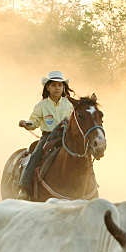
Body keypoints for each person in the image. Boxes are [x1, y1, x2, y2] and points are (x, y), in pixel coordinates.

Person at [18, 70, 75, 198]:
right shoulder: (41, 105)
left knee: (82, 155)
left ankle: (90, 185)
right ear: (48, 87)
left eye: (60, 85)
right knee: (36, 155)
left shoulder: (70, 104)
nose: (57, 88)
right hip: (48, 137)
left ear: (63, 87)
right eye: (53, 85)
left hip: (67, 137)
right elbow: (35, 121)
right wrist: (27, 124)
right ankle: (24, 188)